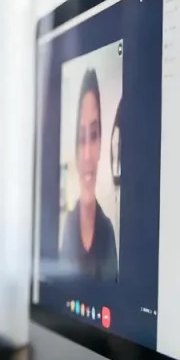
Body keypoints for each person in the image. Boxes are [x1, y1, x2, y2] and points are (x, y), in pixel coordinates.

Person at [60, 67, 119, 281]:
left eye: (93, 135)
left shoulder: (108, 233)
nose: (86, 155)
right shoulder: (66, 230)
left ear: (102, 143)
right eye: (81, 138)